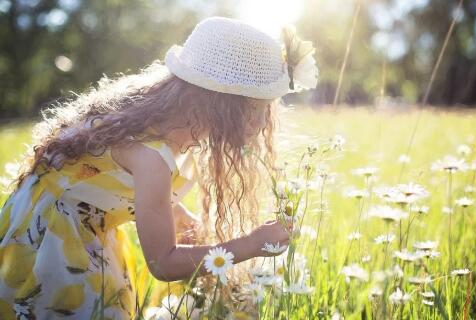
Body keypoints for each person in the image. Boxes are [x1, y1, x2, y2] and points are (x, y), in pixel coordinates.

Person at [0, 16, 318, 319]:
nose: (263, 124)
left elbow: (107, 181)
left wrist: (180, 218)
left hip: (83, 222)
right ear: (219, 103)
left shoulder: (161, 121)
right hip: (51, 239)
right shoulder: (152, 156)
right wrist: (250, 245)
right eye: (256, 108)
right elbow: (162, 263)